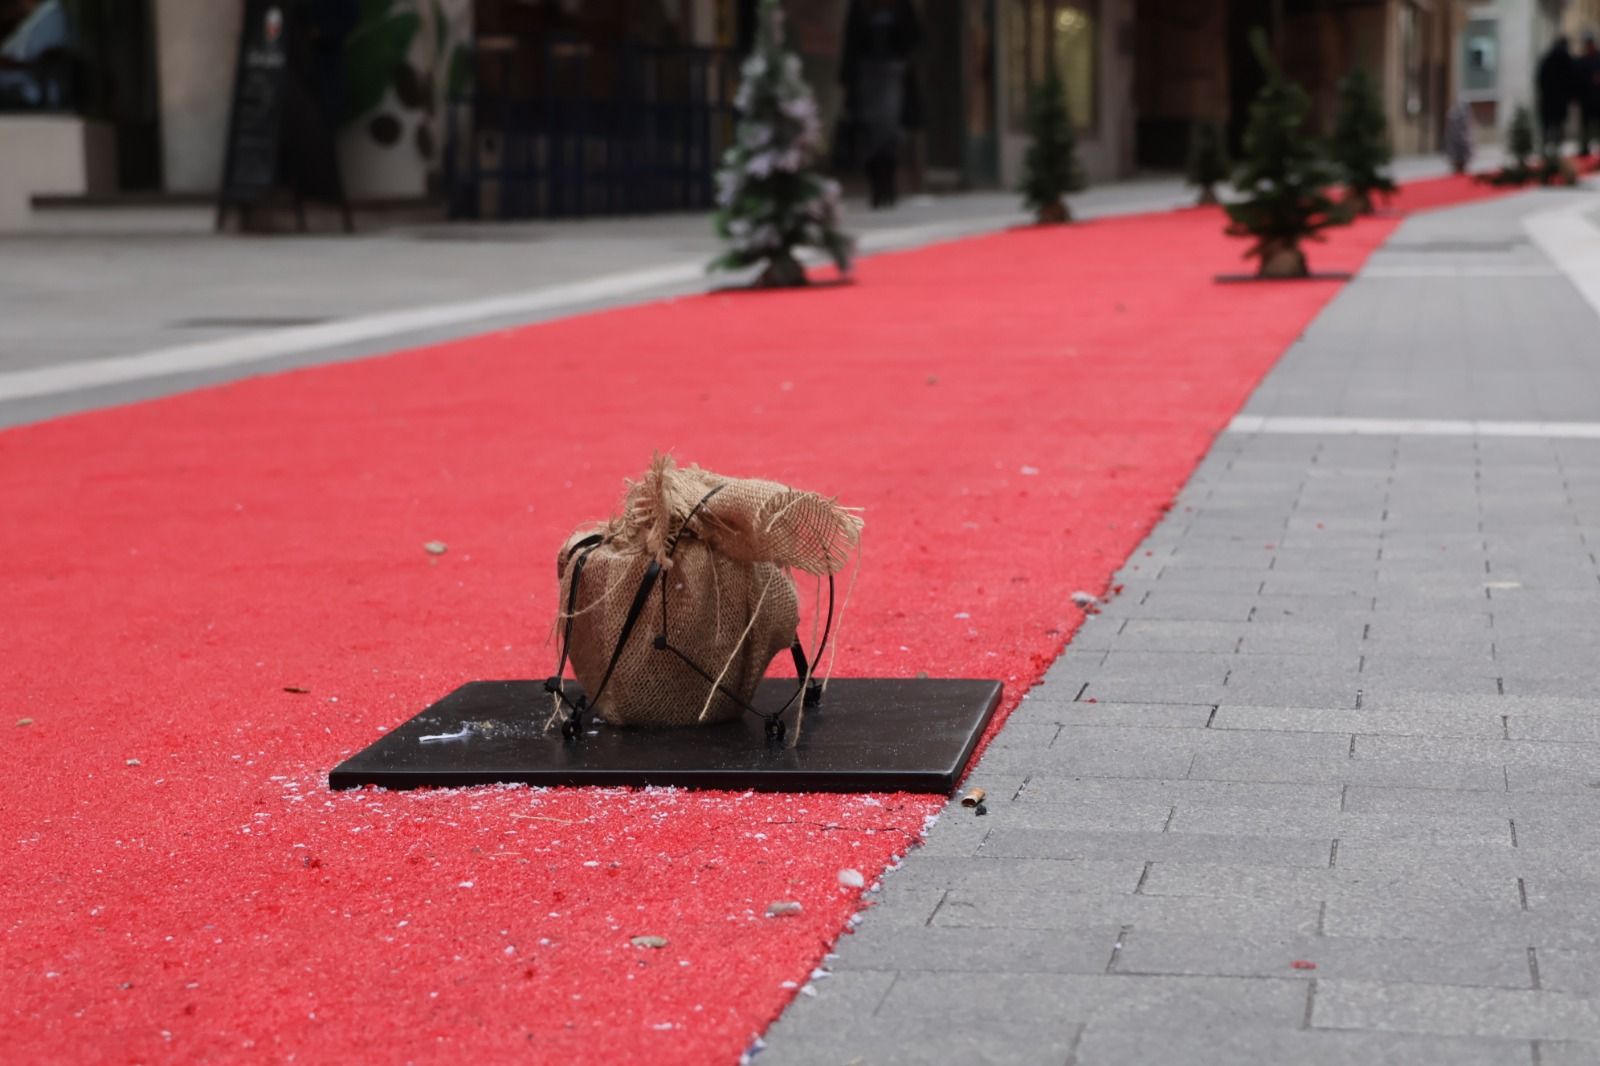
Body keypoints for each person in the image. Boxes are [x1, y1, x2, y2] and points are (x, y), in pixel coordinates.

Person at [840, 0, 921, 209]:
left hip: (894, 72)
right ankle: (876, 186)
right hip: (867, 74)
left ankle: (889, 183)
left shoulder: (900, 6)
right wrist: (848, 79)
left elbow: (914, 36)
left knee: (890, 131)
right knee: (869, 132)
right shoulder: (860, 6)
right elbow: (851, 40)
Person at [1537, 35, 1576, 151]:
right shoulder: (1567, 59)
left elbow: (1540, 78)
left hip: (1548, 98)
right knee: (1558, 125)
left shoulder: (1547, 58)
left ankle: (1546, 150)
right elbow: (1572, 78)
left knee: (1547, 126)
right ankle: (1556, 150)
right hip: (1560, 99)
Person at [1578, 31, 1600, 157]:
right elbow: (1579, 78)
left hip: (1597, 97)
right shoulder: (1584, 60)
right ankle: (1585, 148)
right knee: (1586, 125)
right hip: (1586, 98)